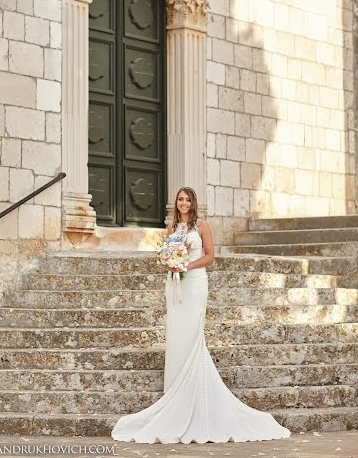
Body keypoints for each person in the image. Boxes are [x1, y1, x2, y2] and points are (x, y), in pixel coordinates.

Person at [111, 187, 291, 444]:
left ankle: (196, 400)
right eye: (180, 199)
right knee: (176, 337)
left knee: (193, 336)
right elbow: (165, 254)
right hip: (174, 284)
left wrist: (186, 264)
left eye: (187, 200)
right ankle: (174, 396)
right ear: (176, 202)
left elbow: (210, 256)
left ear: (193, 203)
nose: (183, 203)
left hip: (195, 284)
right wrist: (170, 262)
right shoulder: (172, 226)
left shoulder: (202, 226)